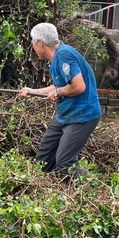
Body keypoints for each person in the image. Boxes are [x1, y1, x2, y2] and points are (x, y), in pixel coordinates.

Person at [18, 22, 101, 178]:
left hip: (81, 116)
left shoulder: (64, 55)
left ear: (40, 43)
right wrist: (31, 91)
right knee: (43, 159)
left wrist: (59, 92)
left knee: (64, 162)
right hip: (66, 115)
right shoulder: (56, 58)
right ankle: (43, 190)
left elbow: (78, 86)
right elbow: (59, 86)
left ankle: (83, 191)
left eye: (33, 43)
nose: (33, 47)